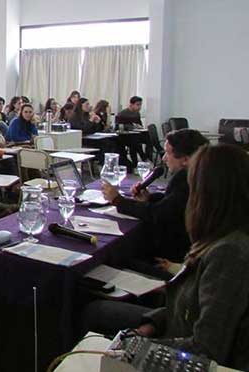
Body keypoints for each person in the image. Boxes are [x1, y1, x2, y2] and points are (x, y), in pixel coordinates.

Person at [84, 144, 249, 371]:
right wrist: (149, 325)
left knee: (93, 312)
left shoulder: (230, 253)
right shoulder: (220, 234)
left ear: (209, 192)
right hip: (173, 322)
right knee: (97, 308)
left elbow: (206, 347)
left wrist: (143, 346)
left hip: (184, 346)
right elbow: (184, 305)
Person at [102, 129, 209, 278]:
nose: (164, 158)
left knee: (114, 256)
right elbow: (174, 203)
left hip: (174, 256)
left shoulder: (185, 179)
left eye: (168, 153)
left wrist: (118, 201)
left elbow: (157, 214)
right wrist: (150, 199)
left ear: (185, 159)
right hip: (190, 248)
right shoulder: (200, 175)